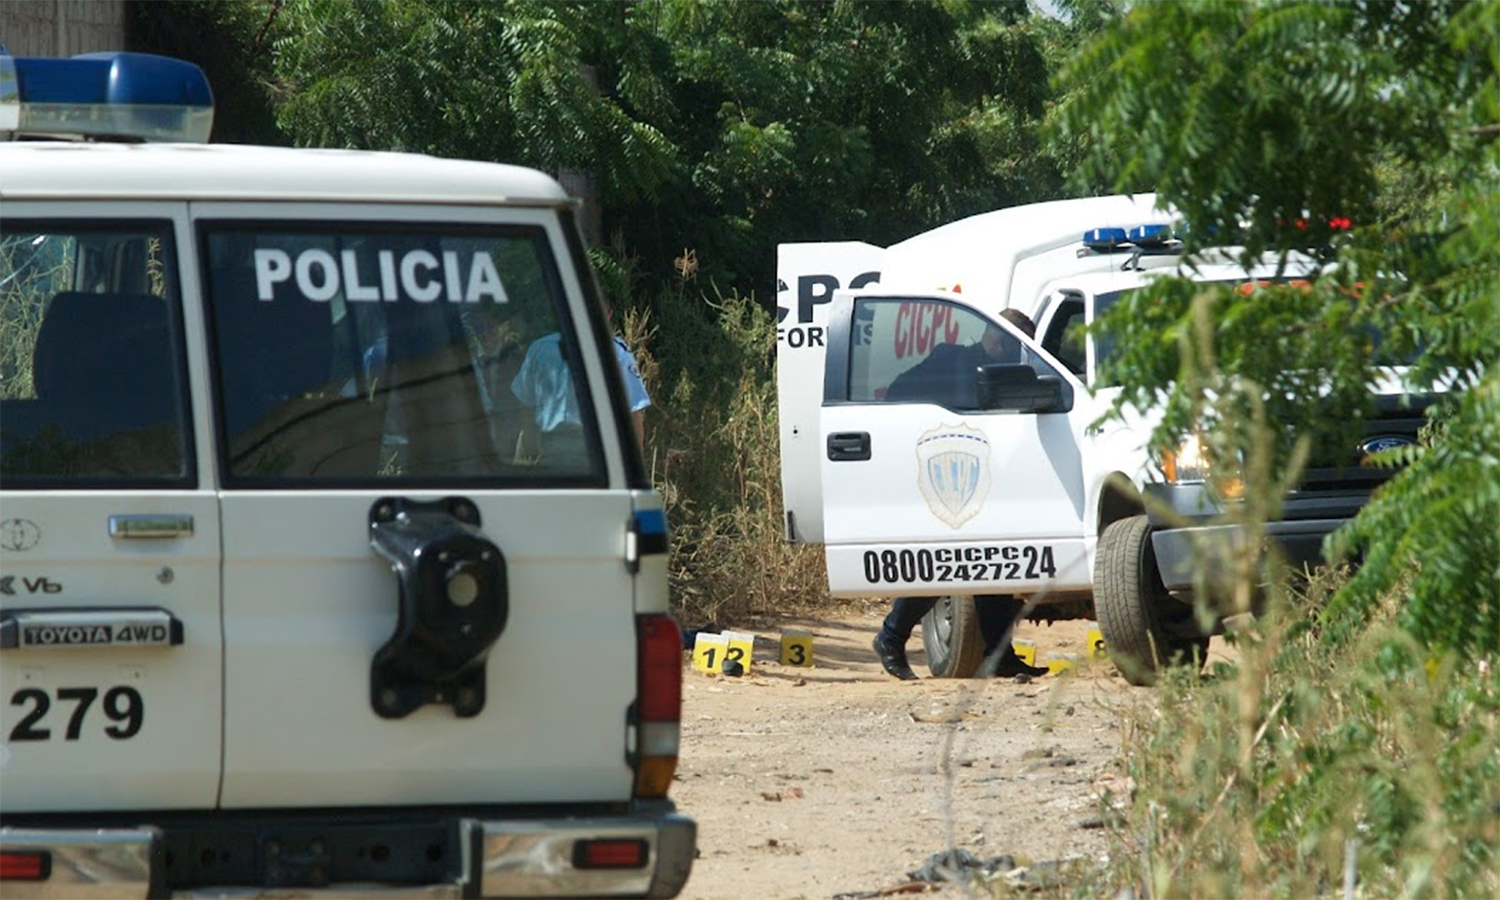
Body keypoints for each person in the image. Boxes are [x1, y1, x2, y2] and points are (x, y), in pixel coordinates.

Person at [871, 307, 1049, 680]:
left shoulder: (996, 367)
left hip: (983, 476)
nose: (1021, 357)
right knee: (943, 564)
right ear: (998, 340)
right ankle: (890, 637)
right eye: (1019, 348)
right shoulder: (950, 360)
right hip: (948, 474)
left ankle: (999, 655)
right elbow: (899, 394)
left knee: (990, 565)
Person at [511, 315, 651, 466]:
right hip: (595, 459)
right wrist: (634, 467)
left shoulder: (540, 348)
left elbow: (526, 409)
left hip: (548, 454)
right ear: (608, 315)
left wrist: (533, 452)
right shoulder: (616, 353)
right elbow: (632, 415)